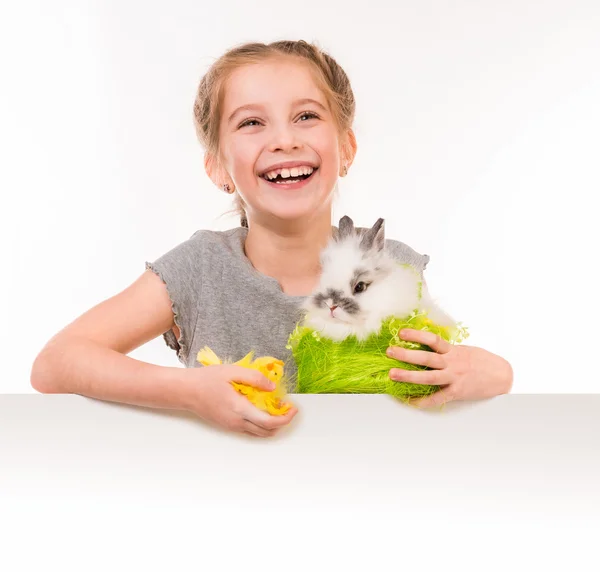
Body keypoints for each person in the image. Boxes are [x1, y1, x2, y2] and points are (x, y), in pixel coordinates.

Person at [30, 40, 513, 438]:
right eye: (251, 122)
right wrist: (189, 391)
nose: (284, 140)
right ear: (217, 166)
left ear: (346, 148)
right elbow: (56, 363)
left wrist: (494, 374)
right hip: (227, 500)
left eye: (306, 116)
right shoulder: (199, 270)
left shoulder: (391, 265)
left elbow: (440, 386)